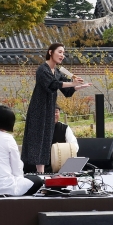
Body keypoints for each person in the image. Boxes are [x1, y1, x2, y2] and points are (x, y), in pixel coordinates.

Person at [20, 43, 90, 173]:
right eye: (60, 52)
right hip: (39, 110)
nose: (62, 55)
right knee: (37, 140)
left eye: (63, 53)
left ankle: (41, 173)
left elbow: (66, 90)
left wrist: (78, 86)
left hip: (49, 109)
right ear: (50, 52)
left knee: (46, 140)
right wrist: (72, 82)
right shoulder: (43, 69)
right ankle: (38, 173)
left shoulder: (57, 71)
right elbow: (53, 84)